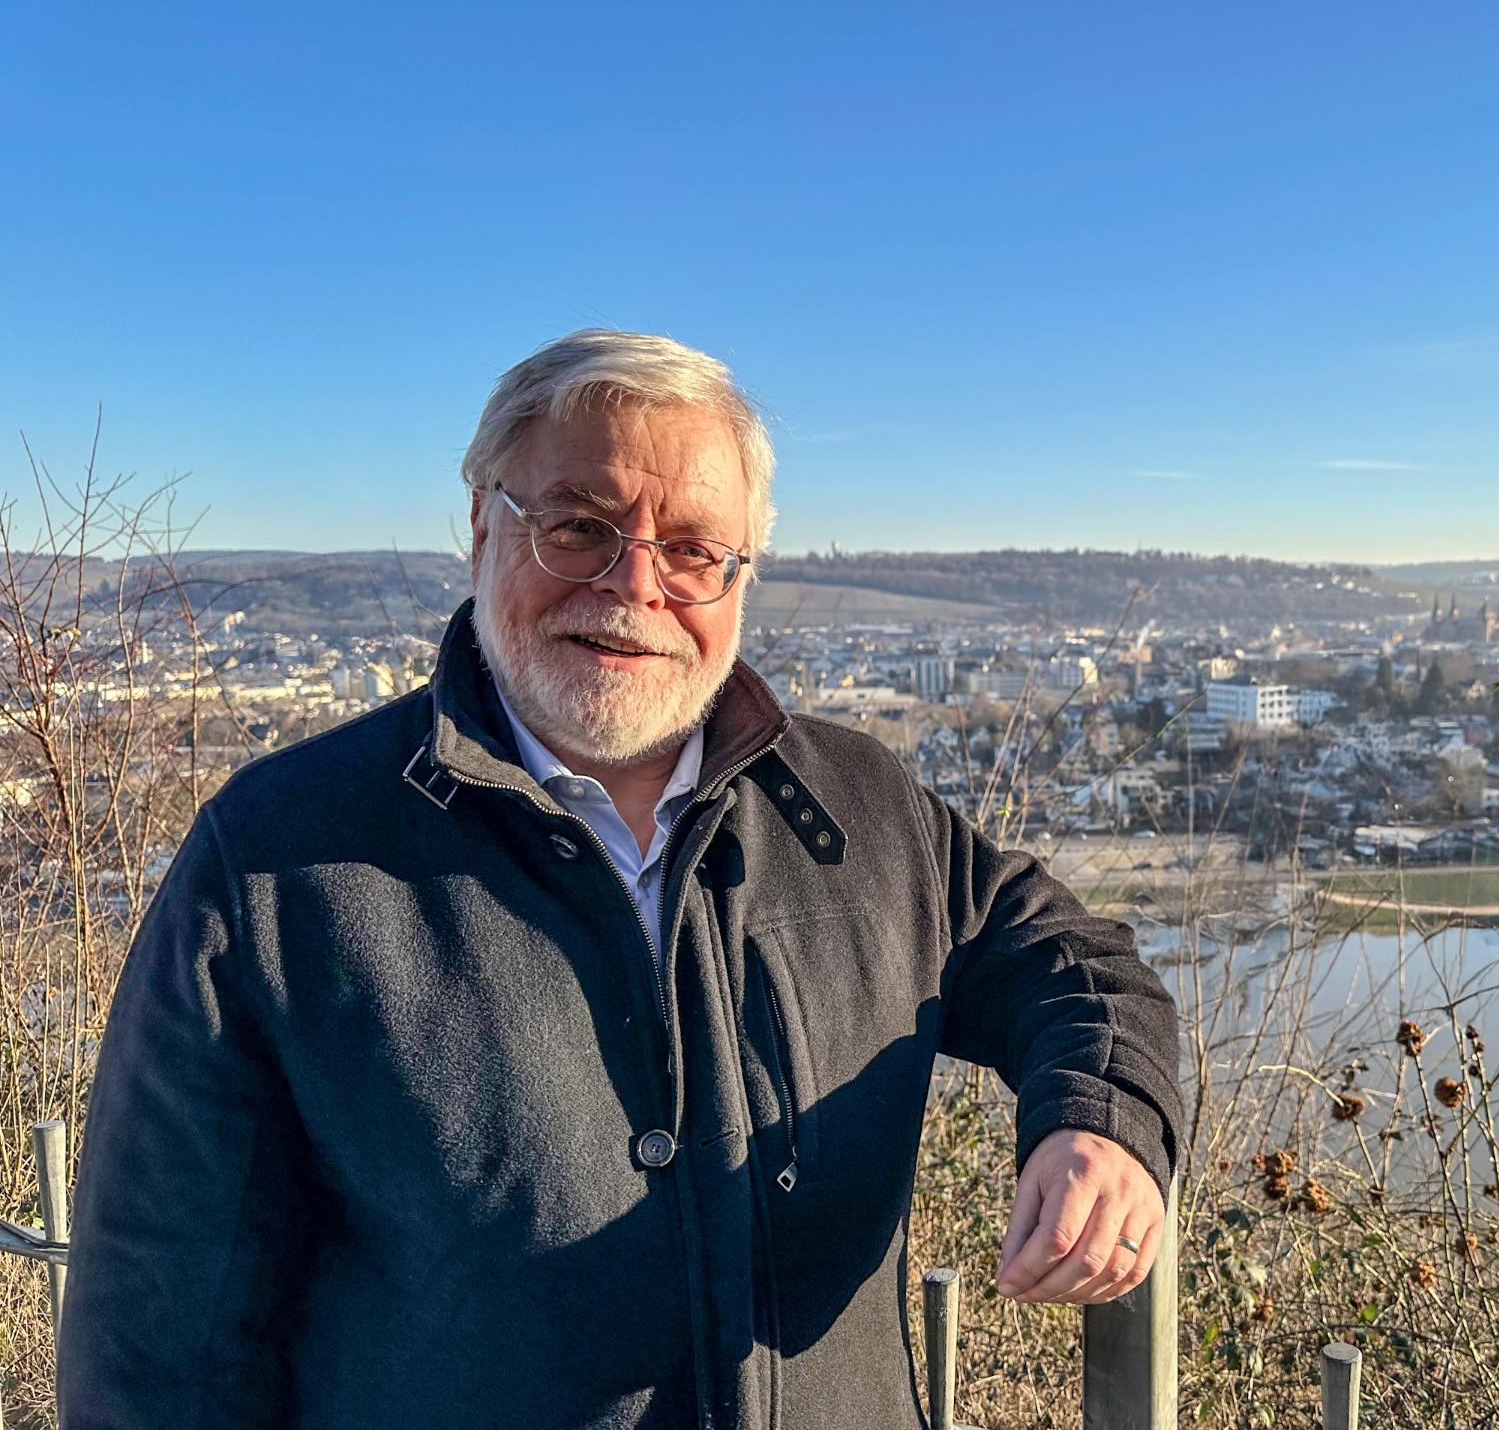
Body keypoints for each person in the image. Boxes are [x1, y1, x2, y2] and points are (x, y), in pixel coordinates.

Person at [58, 329, 1183, 1429]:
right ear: (481, 530)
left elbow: (1070, 961)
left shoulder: (858, 807)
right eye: (578, 527)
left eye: (693, 548)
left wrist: (1100, 1122)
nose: (633, 584)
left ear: (743, 573)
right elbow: (162, 1350)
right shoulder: (275, 864)